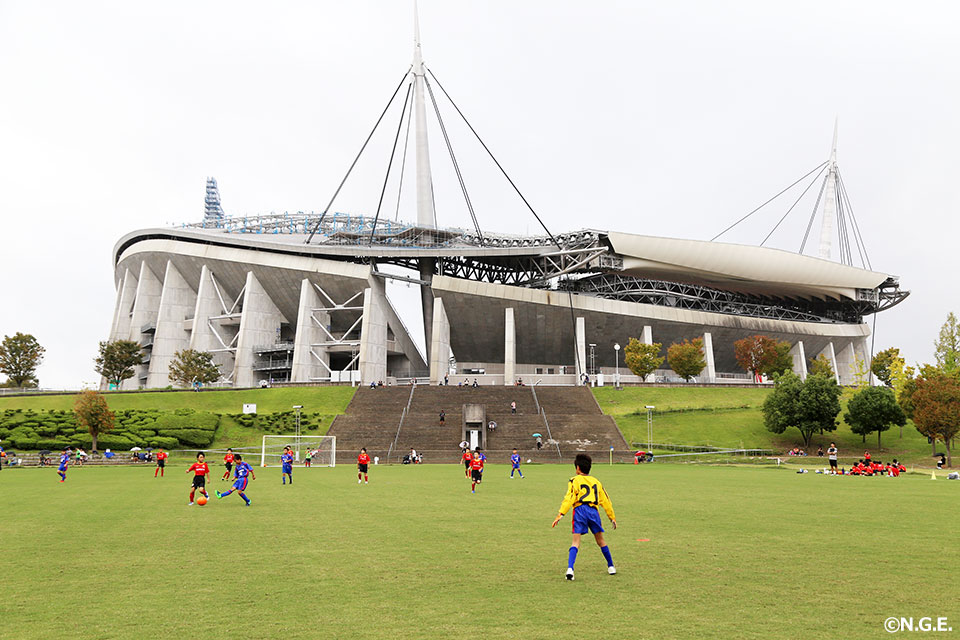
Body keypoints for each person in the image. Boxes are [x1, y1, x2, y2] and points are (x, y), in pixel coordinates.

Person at [551, 453, 617, 580]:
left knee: (576, 541)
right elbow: (606, 500)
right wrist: (611, 517)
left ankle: (570, 569)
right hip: (593, 511)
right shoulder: (596, 482)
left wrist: (561, 514)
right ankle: (611, 566)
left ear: (577, 468)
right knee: (600, 540)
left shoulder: (574, 480)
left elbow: (569, 498)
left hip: (580, 510)